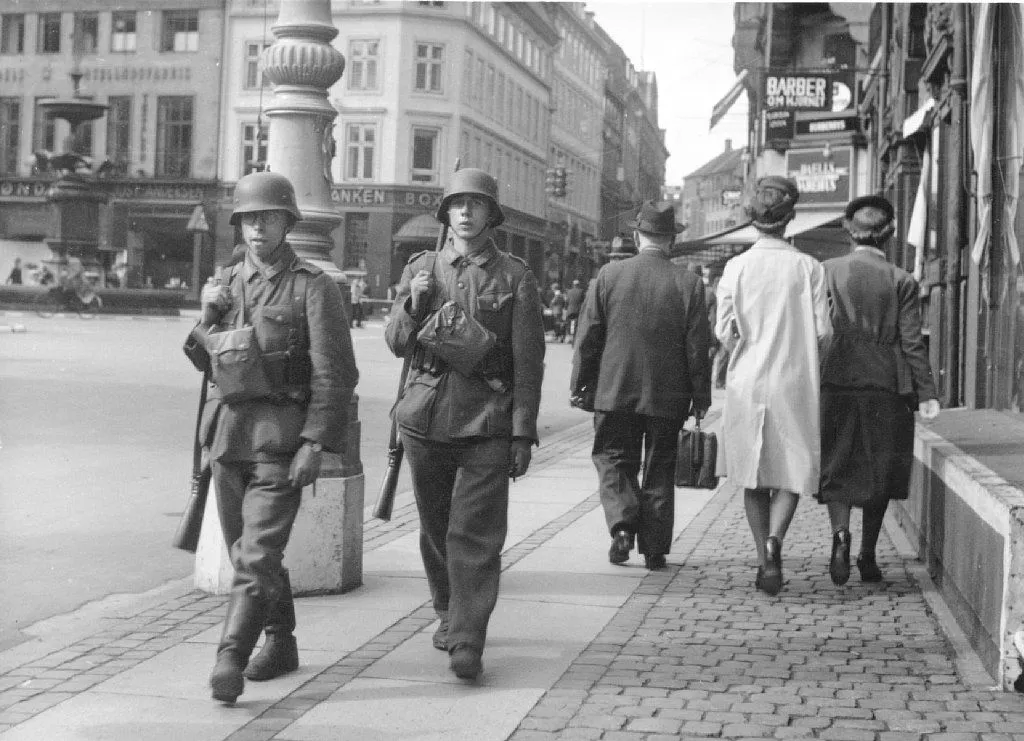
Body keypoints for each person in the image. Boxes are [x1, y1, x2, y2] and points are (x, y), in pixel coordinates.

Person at [187, 171, 359, 704]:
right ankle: (281, 640)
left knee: (258, 555)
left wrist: (314, 443)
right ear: (239, 226)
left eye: (269, 218)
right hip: (228, 440)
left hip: (281, 443)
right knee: (250, 552)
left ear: (287, 222)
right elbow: (201, 359)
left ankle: (229, 658)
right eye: (249, 219)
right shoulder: (227, 282)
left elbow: (336, 374)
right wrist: (206, 315)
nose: (258, 228)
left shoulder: (313, 286)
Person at [384, 167, 545, 680]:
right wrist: (414, 303)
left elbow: (528, 363)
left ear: (490, 214)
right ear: (446, 212)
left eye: (476, 204)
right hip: (425, 417)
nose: (466, 212)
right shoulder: (422, 266)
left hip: (487, 420)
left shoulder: (515, 277)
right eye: (457, 204)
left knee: (474, 534)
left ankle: (468, 636)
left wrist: (522, 431)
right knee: (435, 528)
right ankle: (447, 609)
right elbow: (395, 343)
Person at [570, 201, 711, 570]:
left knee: (613, 459)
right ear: (670, 240)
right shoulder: (689, 283)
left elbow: (588, 337)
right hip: (669, 394)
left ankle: (621, 526)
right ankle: (655, 548)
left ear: (636, 236)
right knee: (660, 466)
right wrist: (701, 396)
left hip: (614, 389)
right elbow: (698, 348)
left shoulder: (608, 276)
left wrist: (581, 384)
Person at [715, 176, 832, 596]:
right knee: (792, 468)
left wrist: (741, 349)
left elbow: (724, 330)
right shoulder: (809, 268)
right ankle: (776, 539)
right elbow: (823, 332)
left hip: (747, 380)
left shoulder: (735, 267)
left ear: (752, 218)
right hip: (794, 378)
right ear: (790, 218)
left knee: (751, 473)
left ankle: (762, 557)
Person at [817, 195, 940, 584]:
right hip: (885, 384)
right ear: (889, 234)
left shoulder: (826, 271)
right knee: (879, 467)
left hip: (834, 379)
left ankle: (840, 535)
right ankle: (868, 554)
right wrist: (927, 392)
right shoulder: (901, 280)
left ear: (848, 231)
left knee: (835, 461)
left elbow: (816, 331)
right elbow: (911, 342)